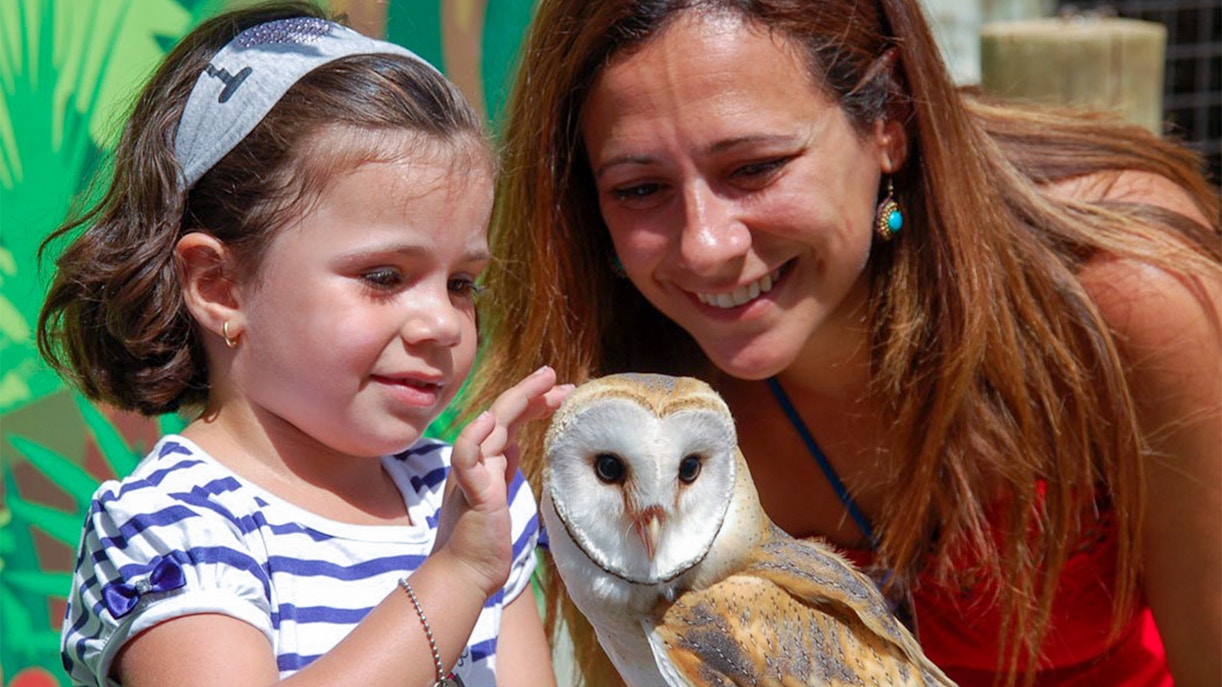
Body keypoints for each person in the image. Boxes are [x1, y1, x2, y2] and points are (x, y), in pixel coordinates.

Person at [467, 1, 1222, 685]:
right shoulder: (605, 389)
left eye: (755, 168)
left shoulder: (1124, 295)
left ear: (887, 118)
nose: (705, 245)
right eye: (640, 188)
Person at [37, 2, 569, 685]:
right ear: (220, 287)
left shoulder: (462, 497)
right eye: (384, 276)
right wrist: (458, 574)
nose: (443, 323)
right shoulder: (176, 524)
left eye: (462, 283)